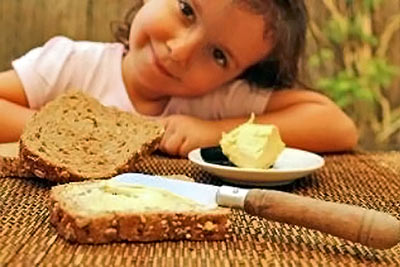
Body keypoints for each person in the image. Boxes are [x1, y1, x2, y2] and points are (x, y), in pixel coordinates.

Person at [0, 0, 358, 157]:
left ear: (239, 74)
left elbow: (336, 126)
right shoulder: (71, 64)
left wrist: (215, 133)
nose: (180, 51)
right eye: (186, 10)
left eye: (219, 55)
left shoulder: (213, 101)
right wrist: (74, 134)